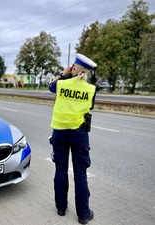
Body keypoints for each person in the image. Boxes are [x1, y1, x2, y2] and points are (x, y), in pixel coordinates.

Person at [49, 53, 97, 224]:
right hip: (79, 134)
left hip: (60, 133)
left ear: (74, 68)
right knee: (80, 174)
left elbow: (50, 86)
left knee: (61, 170)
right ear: (88, 72)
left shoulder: (61, 84)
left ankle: (61, 208)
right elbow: (90, 106)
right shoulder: (91, 89)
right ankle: (83, 214)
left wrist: (63, 74)